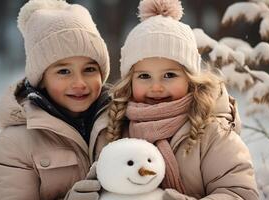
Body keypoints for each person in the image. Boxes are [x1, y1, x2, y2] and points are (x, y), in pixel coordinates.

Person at [105, 0, 259, 199]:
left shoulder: (213, 132)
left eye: (169, 75)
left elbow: (240, 193)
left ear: (190, 79)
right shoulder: (117, 127)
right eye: (144, 76)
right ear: (129, 80)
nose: (156, 87)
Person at [0, 0, 111, 199]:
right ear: (41, 79)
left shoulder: (122, 123)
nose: (79, 83)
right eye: (64, 71)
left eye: (89, 69)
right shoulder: (15, 144)